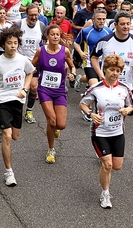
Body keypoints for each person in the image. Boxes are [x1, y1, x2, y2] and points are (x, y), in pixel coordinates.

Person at [0, 27, 35, 186]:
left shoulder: (23, 60)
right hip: (2, 100)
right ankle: (9, 172)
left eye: (15, 43)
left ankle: (0, 126)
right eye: (9, 43)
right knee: (8, 136)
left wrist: (25, 88)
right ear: (3, 44)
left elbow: (30, 72)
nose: (13, 46)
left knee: (15, 136)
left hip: (18, 100)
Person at [80, 54, 133, 209]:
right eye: (112, 69)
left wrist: (127, 110)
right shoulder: (96, 89)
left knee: (117, 166)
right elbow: (83, 104)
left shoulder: (125, 89)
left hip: (118, 132)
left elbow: (132, 105)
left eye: (118, 70)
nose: (115, 73)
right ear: (105, 70)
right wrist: (91, 114)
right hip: (100, 133)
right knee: (108, 165)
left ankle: (105, 161)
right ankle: (105, 193)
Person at [31, 24, 76, 164]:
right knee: (52, 120)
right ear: (47, 36)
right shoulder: (41, 51)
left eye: (58, 34)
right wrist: (30, 78)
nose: (55, 37)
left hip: (60, 90)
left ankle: (56, 129)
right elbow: (31, 66)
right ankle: (51, 149)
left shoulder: (65, 51)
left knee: (61, 125)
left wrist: (73, 74)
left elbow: (73, 65)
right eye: (52, 34)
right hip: (44, 90)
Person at [91, 11, 133, 100]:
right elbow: (94, 57)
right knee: (104, 112)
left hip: (126, 86)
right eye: (122, 24)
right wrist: (100, 74)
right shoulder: (105, 41)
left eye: (128, 24)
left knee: (125, 112)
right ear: (116, 25)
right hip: (107, 85)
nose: (126, 26)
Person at [12, 4, 46, 124]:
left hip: (35, 61)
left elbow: (46, 42)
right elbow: (10, 39)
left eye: (36, 15)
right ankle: (15, 110)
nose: (33, 17)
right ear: (26, 13)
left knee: (33, 87)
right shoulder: (18, 24)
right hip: (19, 60)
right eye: (31, 15)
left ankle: (29, 111)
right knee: (18, 86)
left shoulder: (41, 26)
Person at [73, 8, 112, 94]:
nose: (101, 21)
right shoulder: (86, 31)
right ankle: (91, 105)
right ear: (93, 19)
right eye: (99, 19)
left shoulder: (108, 31)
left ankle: (80, 79)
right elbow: (76, 43)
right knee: (95, 87)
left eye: (103, 19)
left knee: (95, 80)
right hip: (89, 63)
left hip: (104, 64)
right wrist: (81, 52)